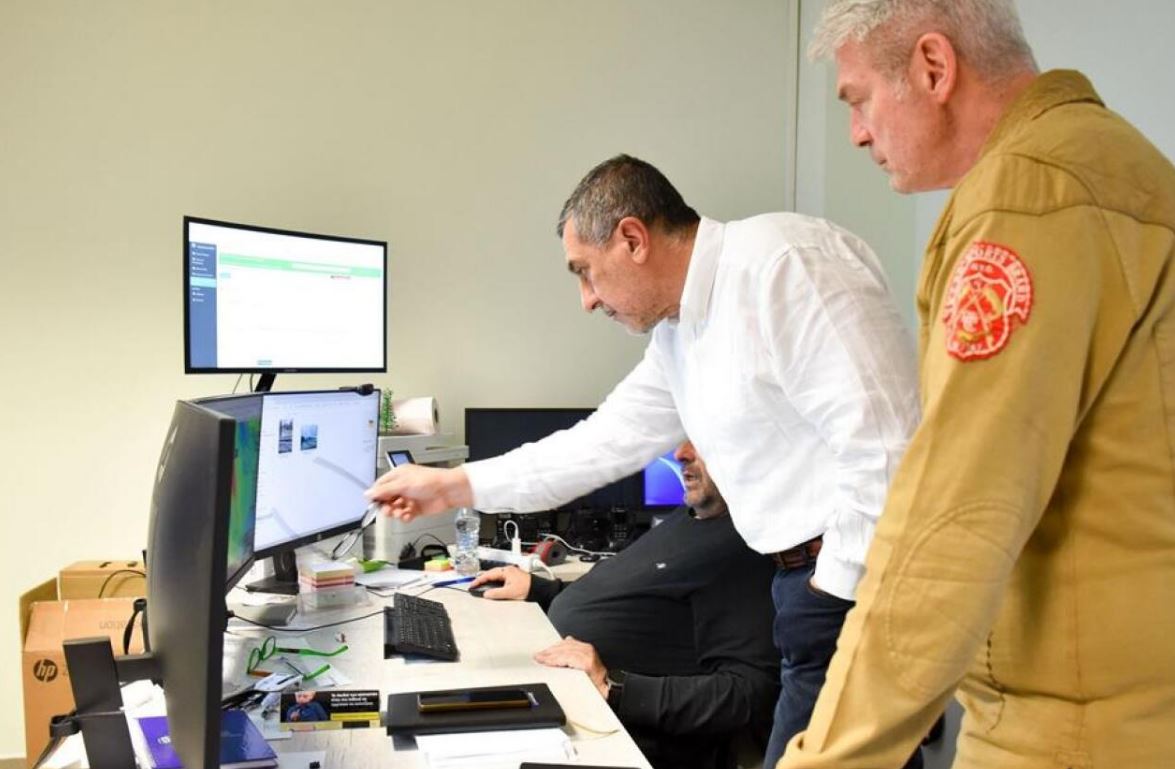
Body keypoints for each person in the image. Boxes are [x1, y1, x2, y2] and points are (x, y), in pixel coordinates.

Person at [367, 153, 921, 765]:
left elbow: (886, 448)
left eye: (585, 272)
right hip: (808, 587)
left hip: (850, 588)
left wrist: (829, 593)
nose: (586, 299)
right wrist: (454, 486)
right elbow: (597, 445)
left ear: (632, 238)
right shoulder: (680, 333)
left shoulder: (784, 264)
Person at [779, 2, 1175, 768]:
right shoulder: (1121, 166)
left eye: (859, 99)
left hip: (1070, 731)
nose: (856, 132)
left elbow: (951, 521)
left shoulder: (1025, 198)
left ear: (933, 67)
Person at [472, 440, 778, 769]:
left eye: (703, 440)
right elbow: (639, 599)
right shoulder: (692, 516)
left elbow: (750, 693)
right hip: (571, 691)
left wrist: (613, 686)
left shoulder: (747, 548)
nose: (681, 454)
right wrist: (542, 589)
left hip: (621, 737)